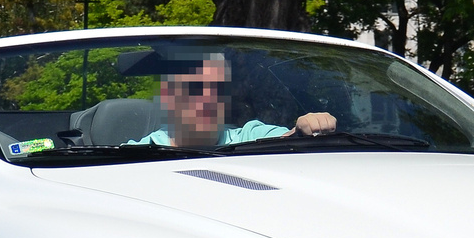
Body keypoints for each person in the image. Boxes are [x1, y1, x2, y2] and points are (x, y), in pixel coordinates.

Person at [131, 51, 336, 148]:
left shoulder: (251, 137)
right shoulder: (135, 154)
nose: (209, 97)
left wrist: (306, 127)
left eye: (218, 88)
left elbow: (288, 140)